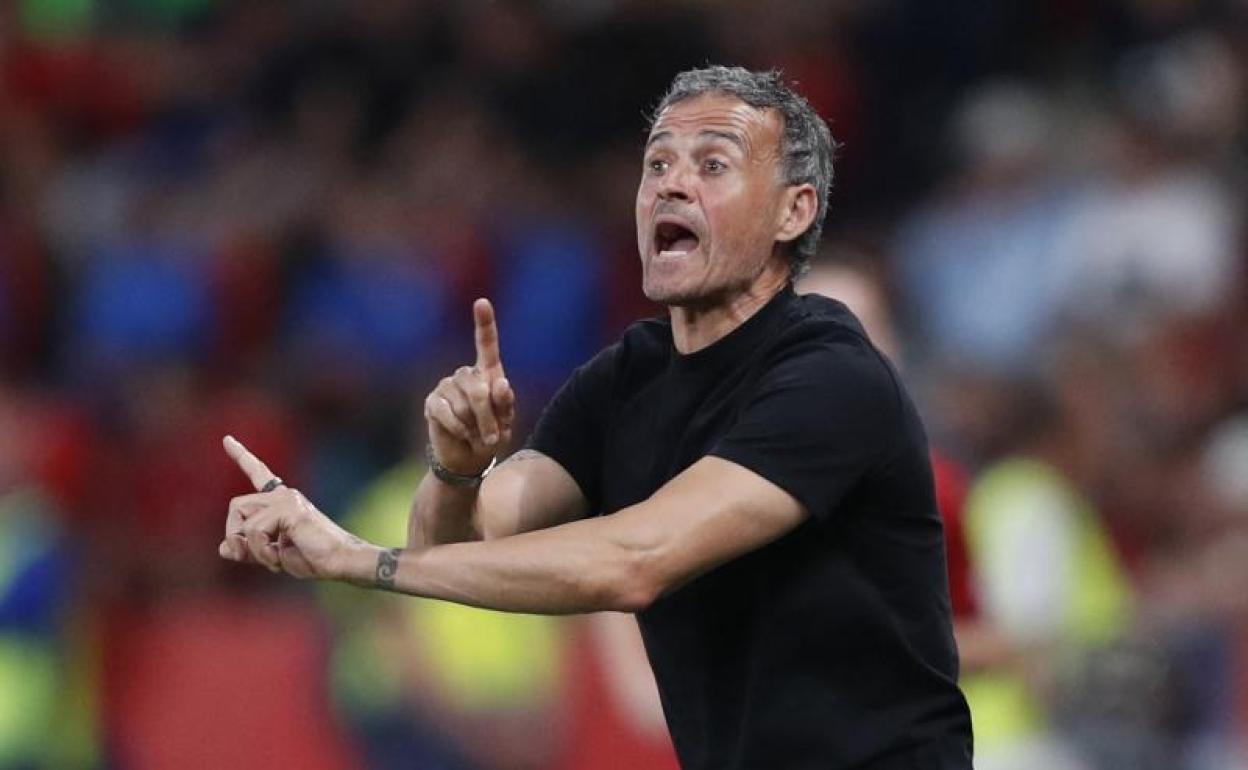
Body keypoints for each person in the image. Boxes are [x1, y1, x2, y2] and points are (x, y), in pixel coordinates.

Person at [219, 66, 973, 769]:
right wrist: (456, 468)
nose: (672, 184)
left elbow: (637, 560)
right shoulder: (627, 377)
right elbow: (450, 551)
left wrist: (356, 559)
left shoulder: (831, 374)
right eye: (657, 164)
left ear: (792, 210)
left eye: (712, 164)